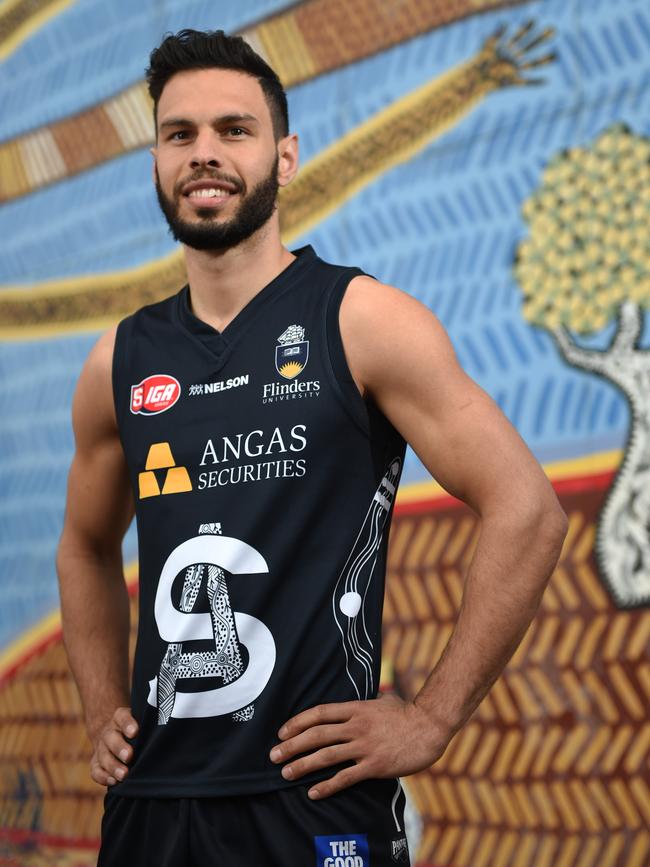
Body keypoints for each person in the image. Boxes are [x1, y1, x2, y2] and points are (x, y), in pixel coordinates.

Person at [56, 28, 567, 867]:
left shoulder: (364, 322)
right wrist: (102, 702)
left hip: (313, 805)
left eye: (234, 130)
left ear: (284, 157)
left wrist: (433, 717)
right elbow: (81, 544)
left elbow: (528, 510)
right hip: (152, 807)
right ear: (155, 163)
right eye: (178, 135)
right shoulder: (119, 361)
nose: (204, 153)